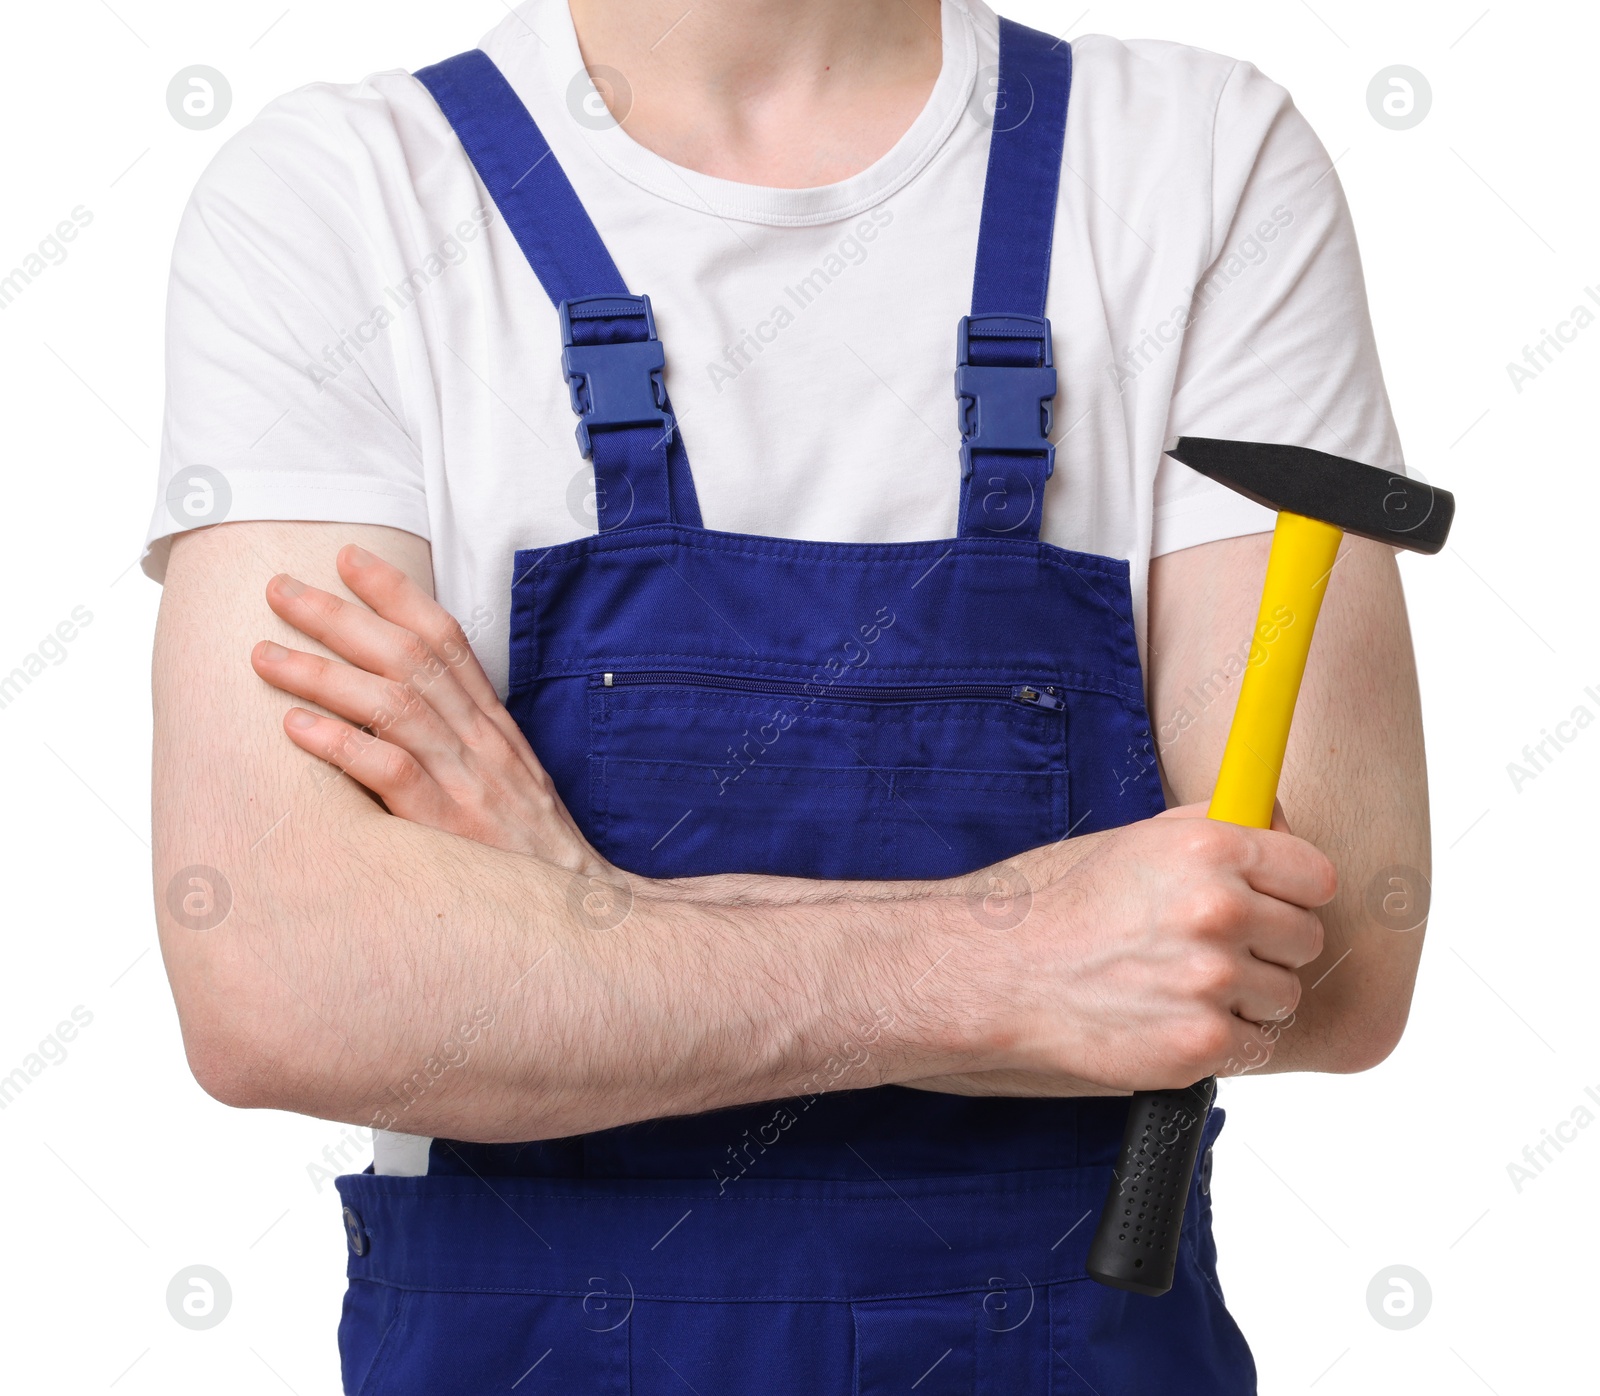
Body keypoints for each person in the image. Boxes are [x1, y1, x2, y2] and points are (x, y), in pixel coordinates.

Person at [146, 1, 1430, 1391]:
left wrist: (584, 925)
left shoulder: (1201, 166)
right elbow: (280, 983)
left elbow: (1331, 959)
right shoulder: (346, 196)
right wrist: (1009, 961)